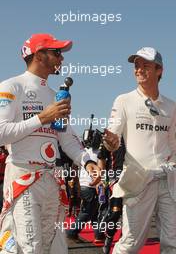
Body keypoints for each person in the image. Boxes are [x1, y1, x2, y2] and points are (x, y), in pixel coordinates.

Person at [0, 33, 118, 254]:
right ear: (39, 55)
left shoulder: (56, 95)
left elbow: (65, 137)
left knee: (53, 247)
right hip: (23, 176)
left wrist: (87, 161)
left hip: (51, 179)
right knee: (29, 247)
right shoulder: (11, 86)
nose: (61, 59)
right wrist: (42, 118)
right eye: (56, 53)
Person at [108, 47, 176, 254]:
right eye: (136, 66)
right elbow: (113, 139)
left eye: (145, 65)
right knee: (130, 243)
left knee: (172, 243)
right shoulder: (124, 100)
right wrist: (110, 142)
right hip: (139, 180)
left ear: (159, 70)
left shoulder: (171, 107)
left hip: (168, 179)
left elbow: (173, 143)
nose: (139, 70)